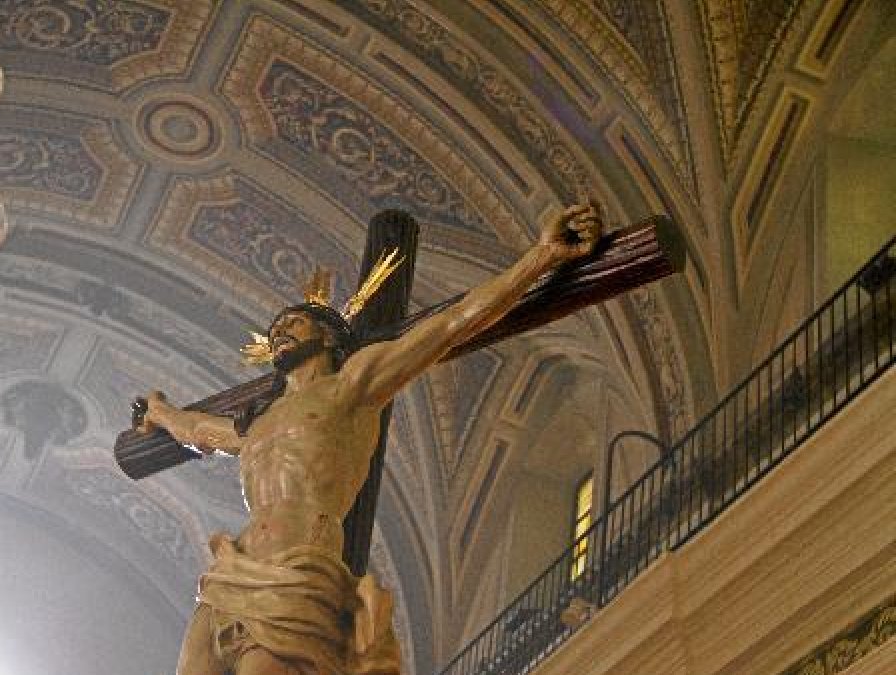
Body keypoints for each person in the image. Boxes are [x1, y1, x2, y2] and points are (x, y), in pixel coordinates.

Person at [137, 205, 603, 675]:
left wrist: (542, 256)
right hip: (231, 571)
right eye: (276, 329)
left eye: (294, 323)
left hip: (297, 567)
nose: (279, 332)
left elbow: (452, 324)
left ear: (328, 336)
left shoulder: (353, 386)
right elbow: (197, 431)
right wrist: (158, 411)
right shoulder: (259, 422)